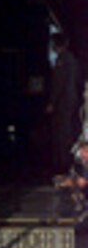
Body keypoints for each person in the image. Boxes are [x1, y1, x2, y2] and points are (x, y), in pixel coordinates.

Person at [45, 34, 83, 173]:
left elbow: (58, 84)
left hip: (63, 102)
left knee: (62, 133)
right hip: (73, 101)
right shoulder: (73, 59)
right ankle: (69, 162)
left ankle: (62, 163)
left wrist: (52, 102)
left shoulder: (62, 60)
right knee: (70, 131)